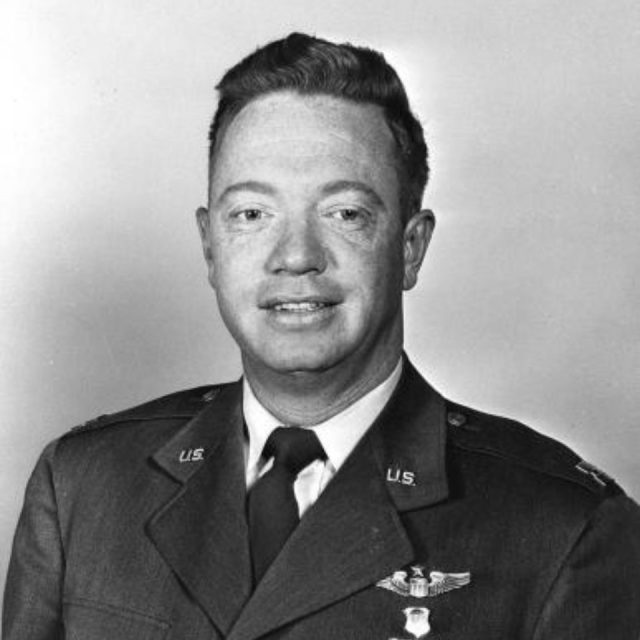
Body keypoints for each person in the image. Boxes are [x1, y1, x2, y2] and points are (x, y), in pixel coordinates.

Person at [3, 32, 640, 640]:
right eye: (252, 214)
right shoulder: (84, 486)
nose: (296, 256)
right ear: (209, 246)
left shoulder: (563, 529)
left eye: (345, 213)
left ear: (411, 248)